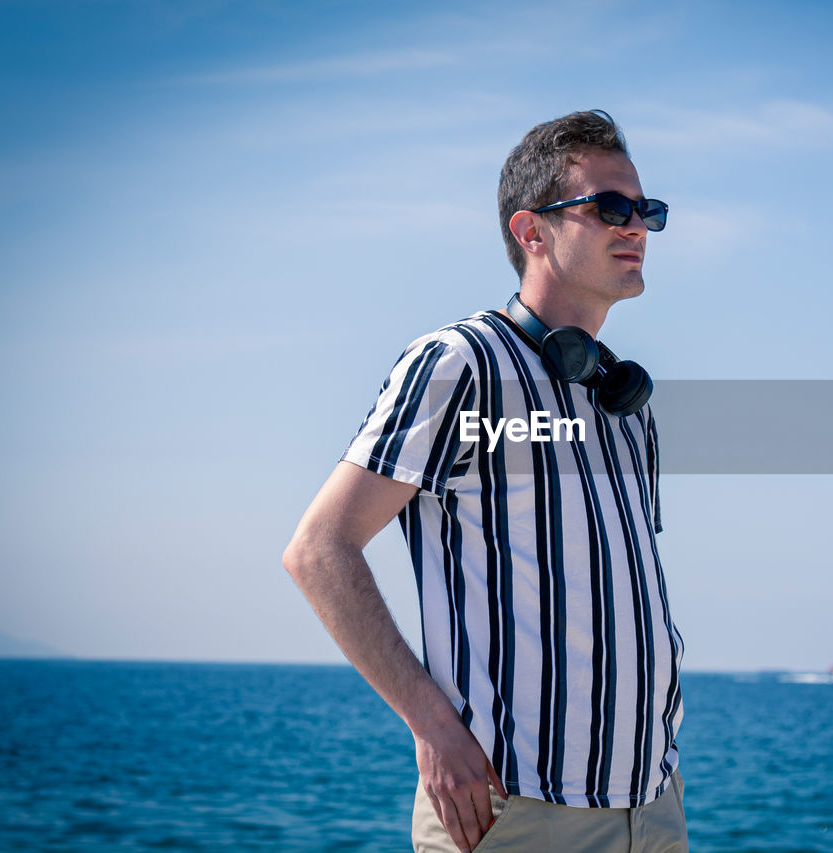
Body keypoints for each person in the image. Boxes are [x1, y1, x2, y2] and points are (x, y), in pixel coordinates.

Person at [283, 110, 686, 853]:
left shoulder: (624, 401)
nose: (637, 227)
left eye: (647, 210)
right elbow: (319, 550)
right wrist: (432, 727)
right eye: (610, 208)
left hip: (652, 806)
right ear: (531, 232)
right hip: (515, 812)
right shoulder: (458, 366)